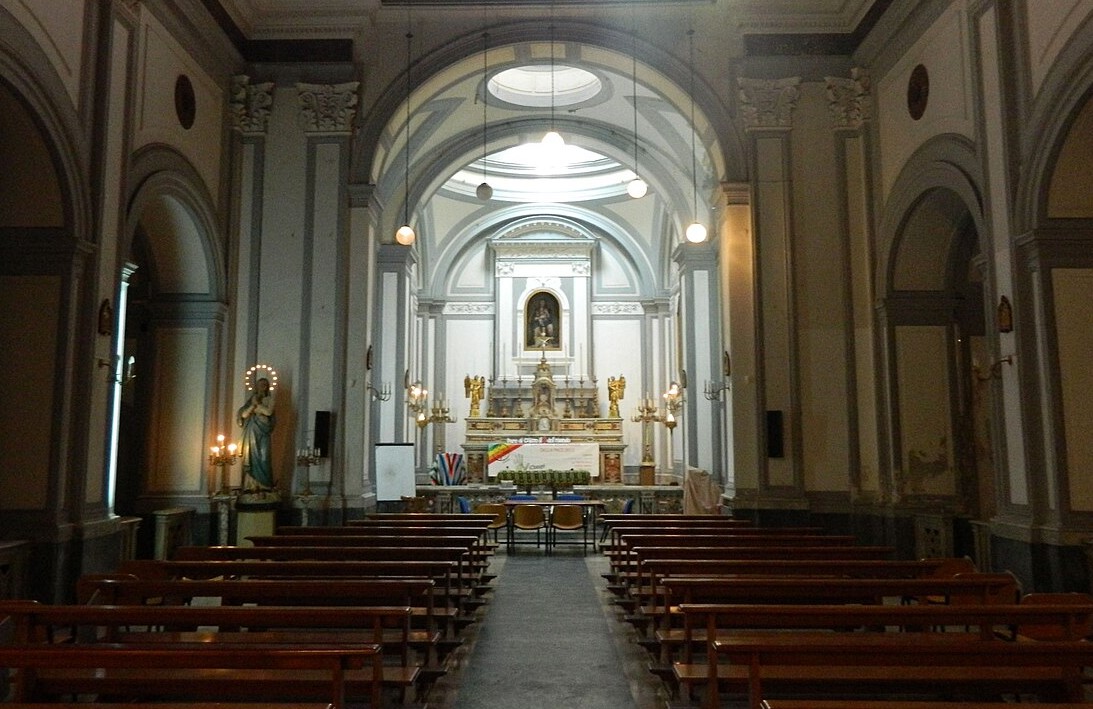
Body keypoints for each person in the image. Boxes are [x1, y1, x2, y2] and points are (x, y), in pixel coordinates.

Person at [237, 376, 275, 490]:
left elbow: (269, 412)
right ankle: (251, 486)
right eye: (260, 385)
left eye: (264, 385)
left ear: (267, 387)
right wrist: (252, 405)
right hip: (251, 432)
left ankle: (265, 486)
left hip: (264, 431)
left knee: (264, 457)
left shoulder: (270, 399)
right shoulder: (251, 401)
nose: (262, 387)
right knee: (251, 457)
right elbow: (244, 415)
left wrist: (257, 405)